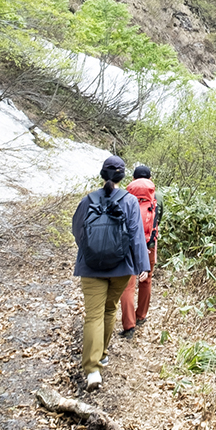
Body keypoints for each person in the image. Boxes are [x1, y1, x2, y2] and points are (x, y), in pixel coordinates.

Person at [71, 154, 149, 390]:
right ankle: (102, 354)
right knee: (109, 309)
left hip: (90, 267)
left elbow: (77, 230)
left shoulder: (88, 200)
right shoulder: (129, 201)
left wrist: (91, 250)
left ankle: (92, 370)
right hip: (121, 267)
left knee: (93, 315)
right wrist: (142, 265)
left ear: (102, 174)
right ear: (123, 176)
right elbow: (136, 235)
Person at [119, 163, 161, 336]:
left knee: (127, 285)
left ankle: (129, 326)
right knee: (146, 280)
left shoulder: (124, 196)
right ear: (150, 179)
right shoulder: (157, 197)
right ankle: (141, 316)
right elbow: (158, 220)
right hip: (149, 244)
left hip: (128, 246)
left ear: (133, 179)